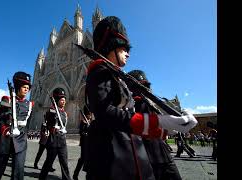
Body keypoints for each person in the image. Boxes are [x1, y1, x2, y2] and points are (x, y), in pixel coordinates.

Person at [84, 16, 198, 180]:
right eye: (124, 49)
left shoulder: (117, 77)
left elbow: (131, 122)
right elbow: (105, 112)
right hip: (111, 159)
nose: (128, 54)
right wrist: (159, 122)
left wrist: (168, 128)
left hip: (135, 159)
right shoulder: (99, 70)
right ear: (111, 46)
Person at [127, 69, 182, 180]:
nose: (146, 89)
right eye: (141, 86)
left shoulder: (151, 103)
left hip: (162, 155)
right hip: (146, 158)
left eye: (147, 85)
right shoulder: (134, 105)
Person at [0, 71, 34, 180]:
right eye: (24, 87)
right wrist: (5, 129)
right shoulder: (6, 100)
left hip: (21, 140)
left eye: (28, 87)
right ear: (17, 87)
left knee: (19, 170)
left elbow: (28, 121)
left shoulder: (29, 104)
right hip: (5, 139)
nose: (27, 89)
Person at [39, 88, 72, 180]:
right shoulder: (52, 111)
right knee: (48, 163)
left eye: (64, 100)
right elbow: (48, 122)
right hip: (53, 140)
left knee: (64, 163)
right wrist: (53, 114)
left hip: (62, 140)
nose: (63, 102)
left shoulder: (65, 113)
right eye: (62, 100)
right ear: (57, 100)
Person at [73, 105, 92, 180]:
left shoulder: (91, 121)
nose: (90, 116)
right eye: (89, 114)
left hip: (90, 143)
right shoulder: (83, 122)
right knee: (83, 159)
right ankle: (75, 174)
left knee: (89, 159)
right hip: (84, 142)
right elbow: (81, 132)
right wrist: (87, 133)